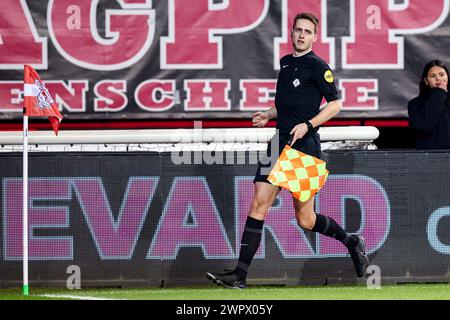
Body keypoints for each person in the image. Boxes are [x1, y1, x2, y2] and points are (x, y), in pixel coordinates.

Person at [206, 12, 369, 289]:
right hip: (279, 141)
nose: (302, 35)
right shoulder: (285, 63)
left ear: (315, 37)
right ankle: (239, 276)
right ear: (291, 33)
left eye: (307, 31)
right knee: (258, 202)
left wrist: (308, 124)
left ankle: (352, 241)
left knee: (306, 219)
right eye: (298, 30)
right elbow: (289, 102)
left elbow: (335, 105)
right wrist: (270, 113)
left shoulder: (318, 66)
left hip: (303, 146)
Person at [408, 59, 450, 150]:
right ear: (426, 81)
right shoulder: (415, 104)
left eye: (442, 75)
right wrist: (438, 94)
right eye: (432, 76)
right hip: (429, 158)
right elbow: (424, 126)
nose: (438, 78)